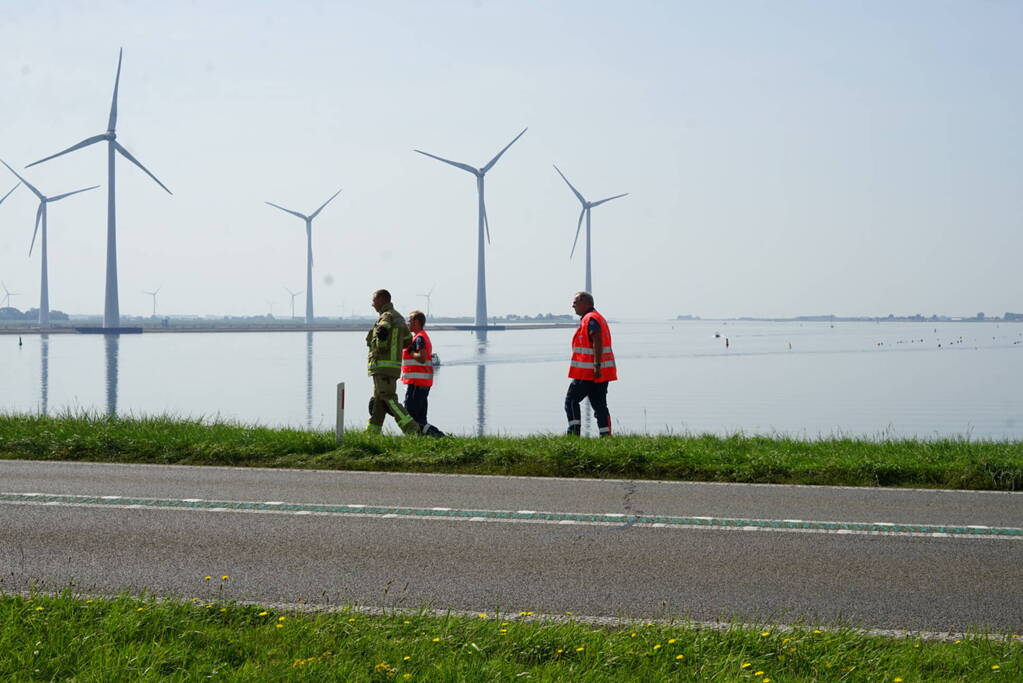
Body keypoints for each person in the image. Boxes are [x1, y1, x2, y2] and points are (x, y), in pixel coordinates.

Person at [366, 289, 420, 435]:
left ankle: (413, 429)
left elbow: (382, 334)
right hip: (391, 368)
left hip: (382, 367)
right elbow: (408, 340)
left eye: (374, 301)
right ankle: (372, 434)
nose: (372, 304)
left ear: (382, 300)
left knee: (389, 399)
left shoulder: (386, 317)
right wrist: (394, 350)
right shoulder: (399, 318)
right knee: (378, 402)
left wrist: (383, 346)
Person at [565, 291, 617, 436]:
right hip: (600, 372)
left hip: (588, 372)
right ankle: (606, 436)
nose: (573, 306)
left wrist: (596, 365)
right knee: (600, 405)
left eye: (575, 303)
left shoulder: (590, 319)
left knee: (571, 400)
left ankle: (574, 433)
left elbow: (597, 340)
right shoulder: (596, 318)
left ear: (584, 302)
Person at [401, 310, 445, 437]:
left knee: (411, 416)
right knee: (420, 418)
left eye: (409, 320)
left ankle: (438, 435)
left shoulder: (419, 338)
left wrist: (410, 352)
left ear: (417, 322)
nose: (407, 323)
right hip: (422, 383)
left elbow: (421, 357)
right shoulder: (421, 336)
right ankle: (428, 437)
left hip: (416, 383)